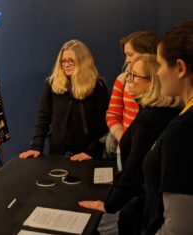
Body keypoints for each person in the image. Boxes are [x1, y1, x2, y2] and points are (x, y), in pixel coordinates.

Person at [79, 54, 182, 235]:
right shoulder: (154, 111)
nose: (129, 80)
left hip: (146, 210)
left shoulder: (150, 119)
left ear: (152, 82)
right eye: (129, 74)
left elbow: (135, 170)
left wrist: (109, 204)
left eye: (134, 75)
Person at [142, 20, 193, 235]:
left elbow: (179, 228)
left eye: (160, 64)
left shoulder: (182, 131)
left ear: (180, 68)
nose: (158, 72)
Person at [19, 39, 109, 161]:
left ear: (83, 61)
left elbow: (103, 124)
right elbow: (43, 117)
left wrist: (92, 151)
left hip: (87, 155)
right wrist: (36, 146)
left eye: (71, 61)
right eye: (63, 61)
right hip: (57, 152)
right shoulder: (52, 84)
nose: (66, 65)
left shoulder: (97, 87)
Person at [105, 31, 159, 157]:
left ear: (148, 54)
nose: (127, 60)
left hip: (152, 152)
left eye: (130, 54)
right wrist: (123, 139)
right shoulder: (123, 79)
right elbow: (112, 114)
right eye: (125, 55)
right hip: (127, 150)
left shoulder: (166, 83)